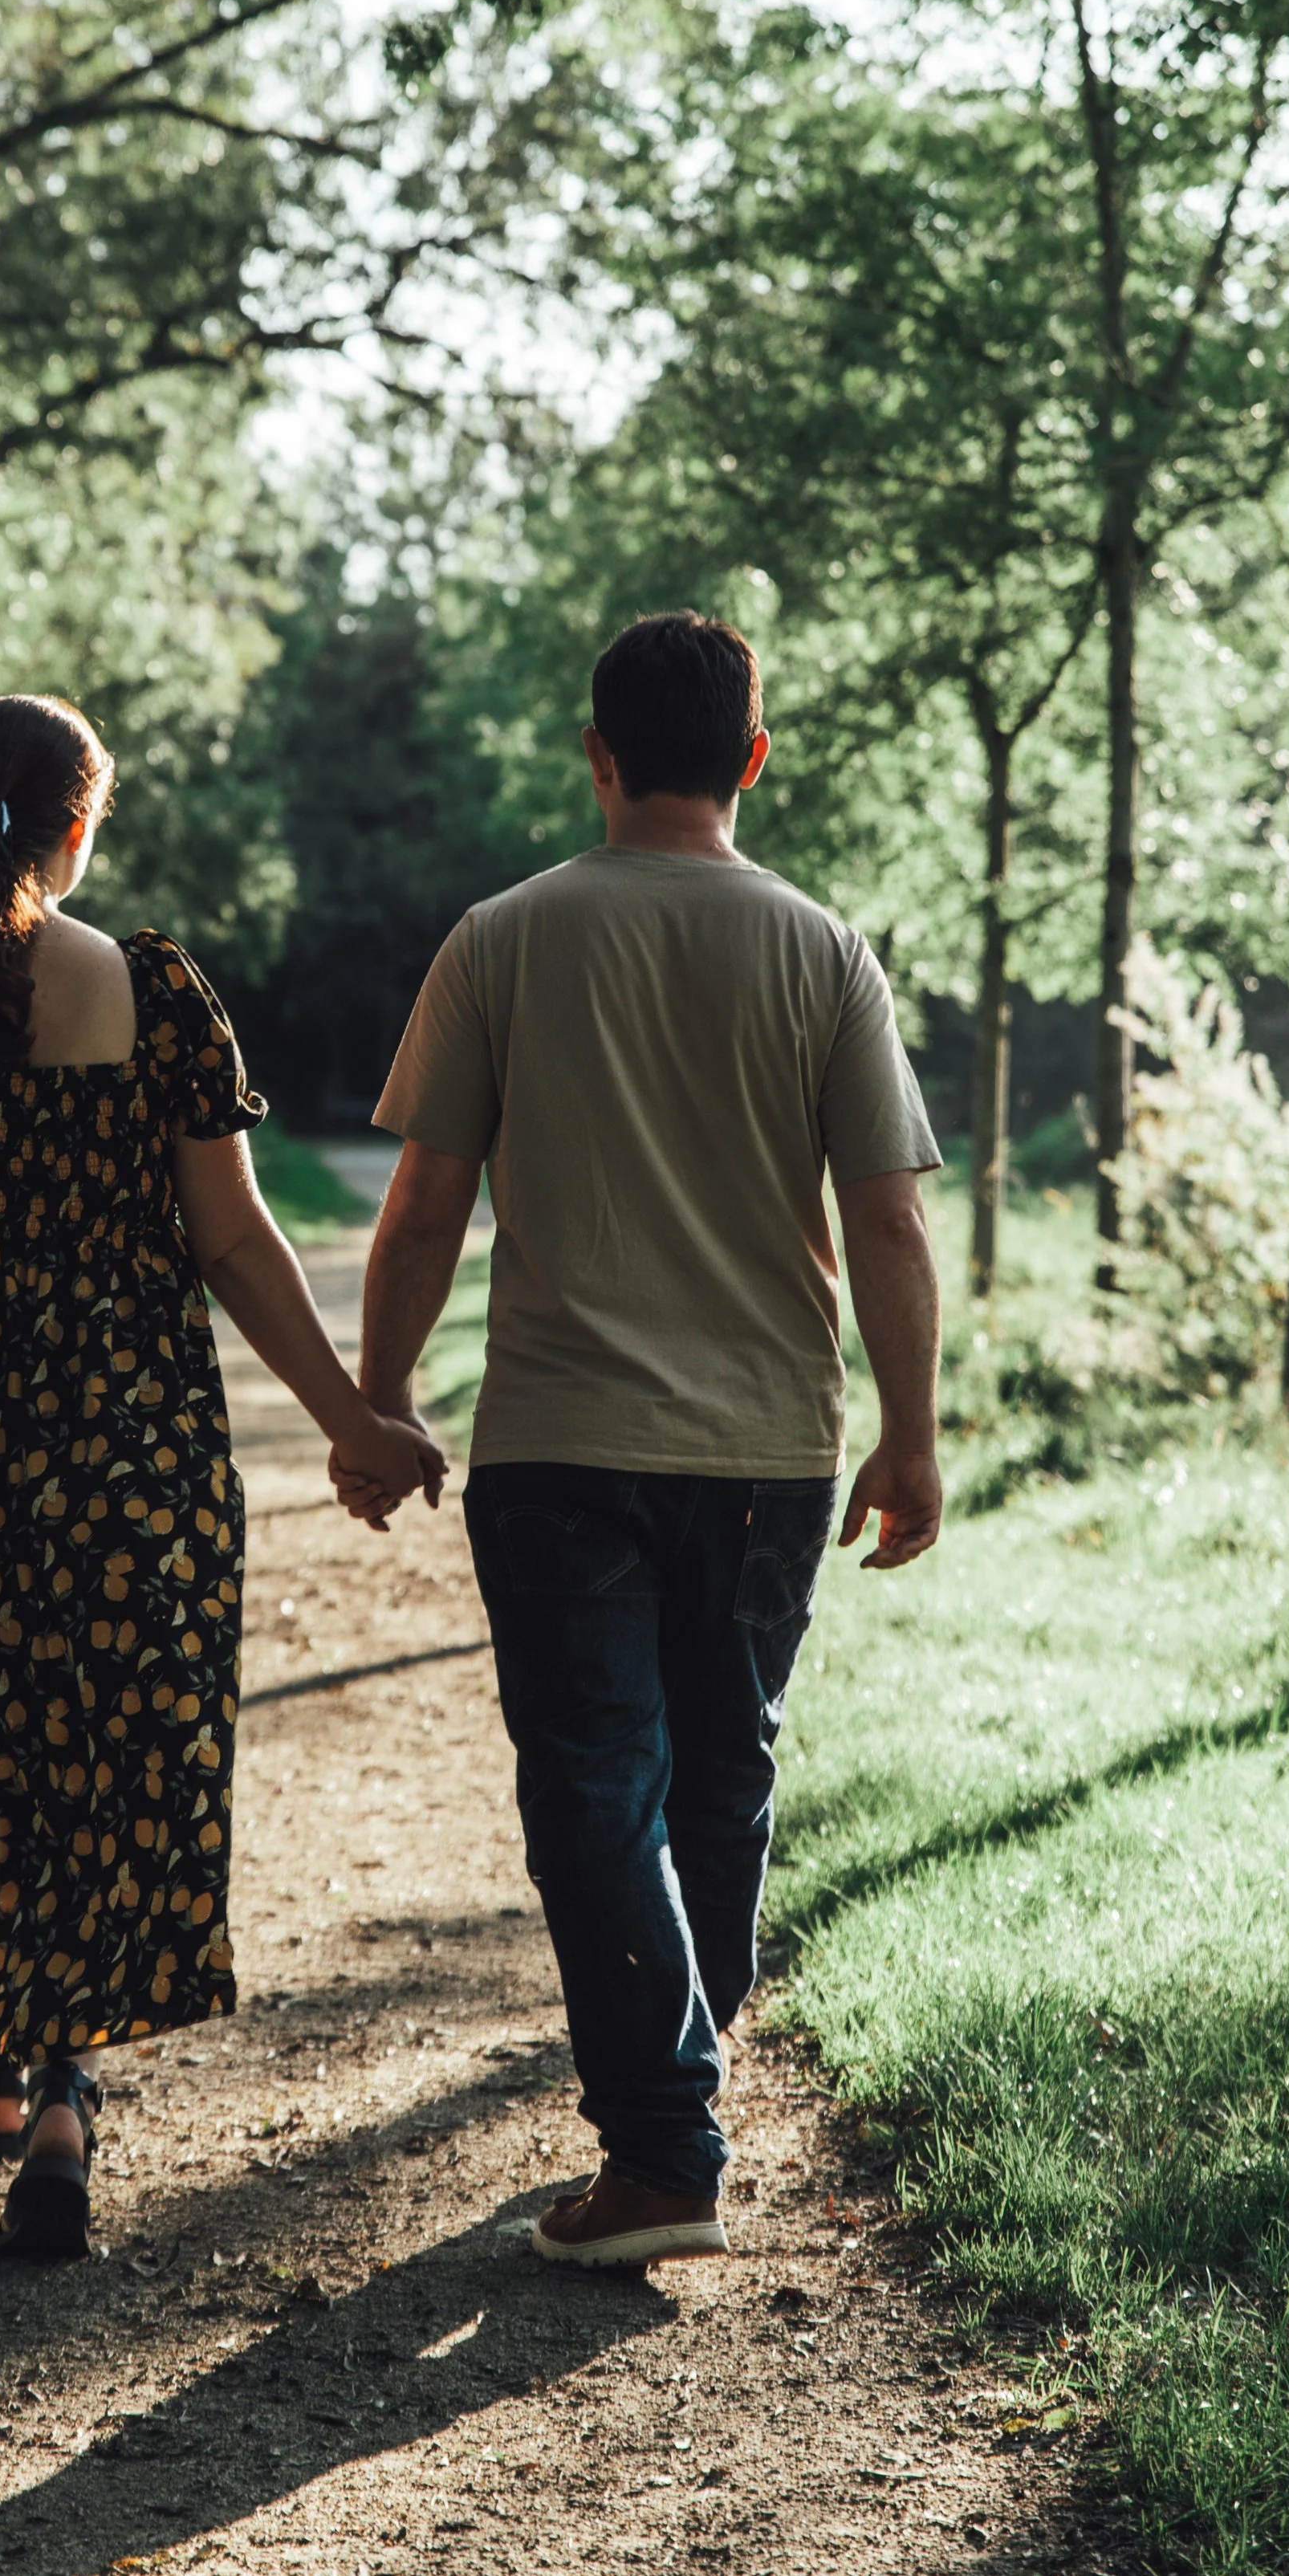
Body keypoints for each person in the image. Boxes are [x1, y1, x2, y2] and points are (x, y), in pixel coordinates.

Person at [0, 694, 437, 2260]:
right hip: (129, 1462)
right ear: (78, 826)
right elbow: (230, 1243)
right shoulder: (152, 992)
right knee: (99, 1750)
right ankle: (60, 2088)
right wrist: (347, 1417)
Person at [339, 611, 942, 2269]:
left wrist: (383, 1402)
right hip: (766, 1447)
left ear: (594, 759)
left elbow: (421, 1209)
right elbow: (885, 1225)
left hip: (557, 1441)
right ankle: (675, 2088)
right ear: (751, 758)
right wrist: (911, 1435)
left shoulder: (502, 938)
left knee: (597, 1781)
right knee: (720, 1765)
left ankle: (664, 2134)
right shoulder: (821, 949)